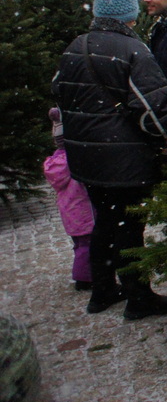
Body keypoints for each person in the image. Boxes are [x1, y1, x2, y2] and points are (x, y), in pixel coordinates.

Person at [51, 0, 167, 320]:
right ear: (130, 15)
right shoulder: (132, 50)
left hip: (85, 158)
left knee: (104, 222)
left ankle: (102, 291)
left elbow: (58, 91)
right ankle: (139, 299)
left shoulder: (76, 47)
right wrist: (161, 139)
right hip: (124, 160)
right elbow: (152, 110)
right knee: (129, 227)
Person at [42, 107, 93, 291]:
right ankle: (84, 279)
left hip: (69, 212)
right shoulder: (75, 161)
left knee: (80, 245)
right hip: (84, 212)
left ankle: (85, 275)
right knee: (87, 246)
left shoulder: (57, 160)